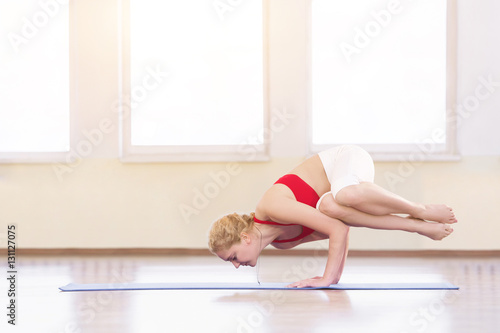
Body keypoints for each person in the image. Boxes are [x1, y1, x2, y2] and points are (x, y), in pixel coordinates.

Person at [208, 145, 456, 288]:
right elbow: (341, 227)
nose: (236, 265)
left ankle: (419, 210)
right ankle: (414, 226)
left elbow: (336, 231)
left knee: (342, 195)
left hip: (348, 160)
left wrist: (326, 277)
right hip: (347, 191)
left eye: (232, 257)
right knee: (330, 207)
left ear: (244, 237)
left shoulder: (271, 207)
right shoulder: (284, 243)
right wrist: (335, 277)